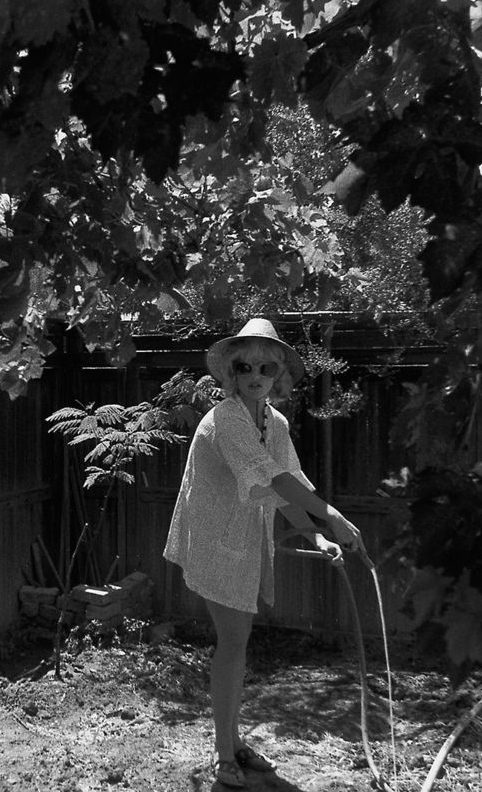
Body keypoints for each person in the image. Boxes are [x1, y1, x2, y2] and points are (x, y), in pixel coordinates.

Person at [162, 318, 366, 789]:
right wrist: (331, 515)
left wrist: (314, 535)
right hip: (212, 535)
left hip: (244, 533)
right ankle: (223, 754)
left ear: (280, 376)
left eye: (266, 366)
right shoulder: (225, 418)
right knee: (233, 641)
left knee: (238, 640)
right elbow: (271, 479)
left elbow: (283, 481)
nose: (255, 374)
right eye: (244, 365)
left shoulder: (274, 422)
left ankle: (232, 743)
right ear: (231, 373)